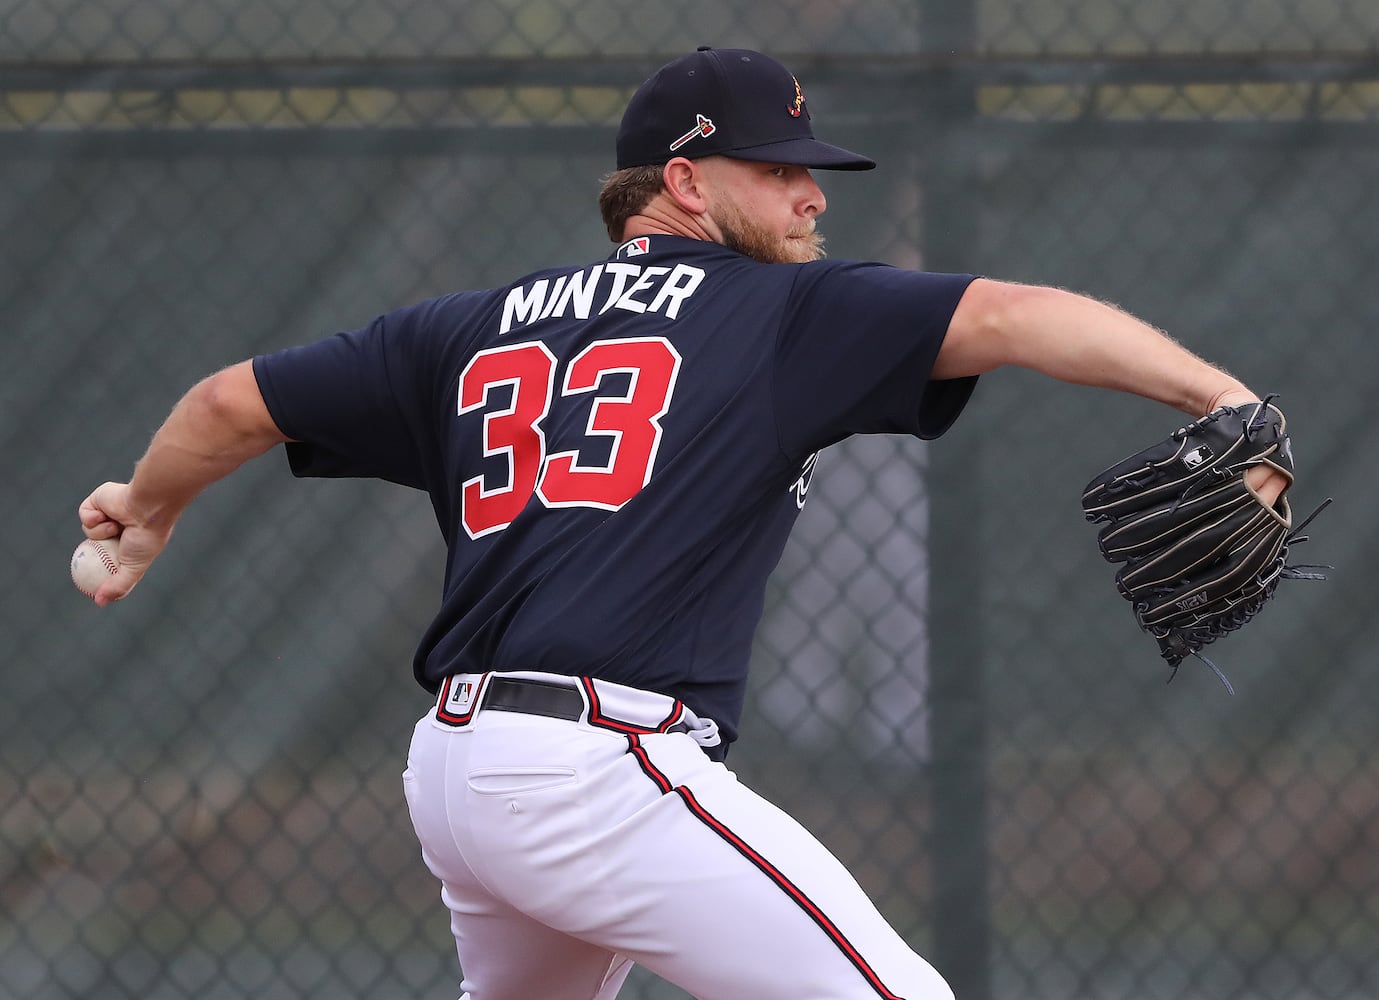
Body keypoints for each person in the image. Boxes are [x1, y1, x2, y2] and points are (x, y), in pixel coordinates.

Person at [79, 47, 1288, 1000]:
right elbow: (1019, 315)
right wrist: (1218, 397)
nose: (813, 192)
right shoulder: (776, 311)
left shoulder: (469, 326)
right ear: (686, 182)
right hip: (593, 770)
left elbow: (229, 402)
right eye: (779, 168)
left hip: (455, 766)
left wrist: (146, 509)